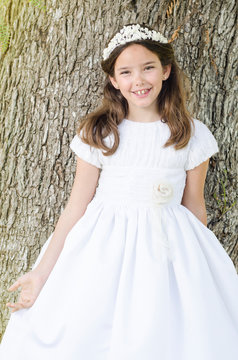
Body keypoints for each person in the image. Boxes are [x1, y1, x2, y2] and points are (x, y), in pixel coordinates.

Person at [0, 23, 238, 360]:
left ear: (166, 70)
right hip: (102, 250)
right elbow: (74, 208)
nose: (138, 80)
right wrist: (41, 274)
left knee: (166, 335)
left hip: (167, 252)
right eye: (125, 72)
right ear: (114, 80)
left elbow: (194, 209)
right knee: (87, 331)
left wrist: (201, 273)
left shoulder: (191, 135)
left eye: (148, 68)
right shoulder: (100, 132)